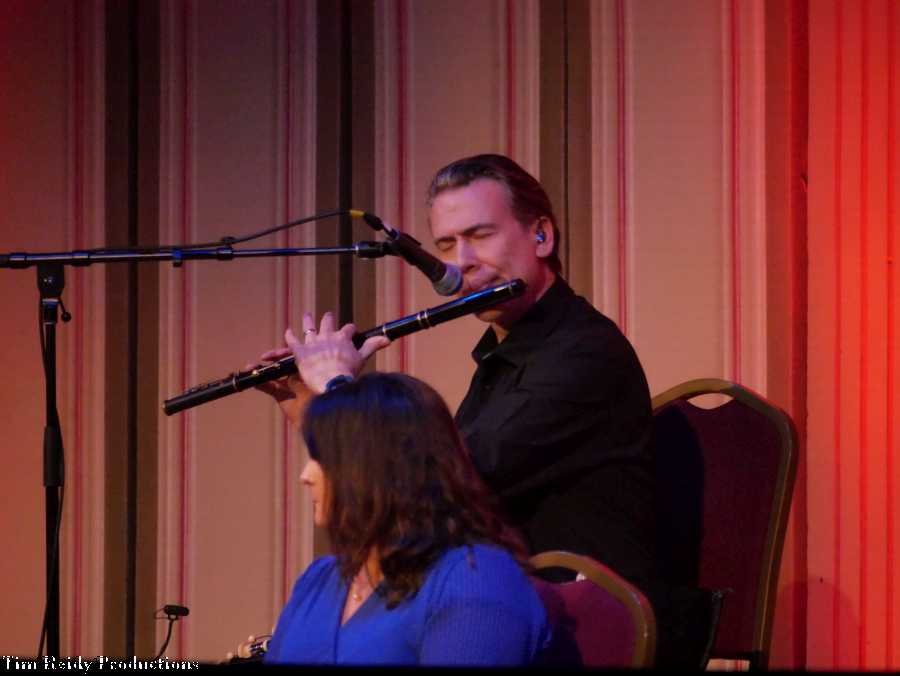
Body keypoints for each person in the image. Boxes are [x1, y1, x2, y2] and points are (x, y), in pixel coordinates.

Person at [260, 155, 709, 666]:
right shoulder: (504, 356)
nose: (462, 263)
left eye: (479, 235)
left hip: (579, 631)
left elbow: (443, 485)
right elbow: (404, 495)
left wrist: (339, 390)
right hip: (503, 610)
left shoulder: (586, 354)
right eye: (446, 245)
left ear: (541, 236)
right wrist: (309, 407)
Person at [262, 372, 550, 666]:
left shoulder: (475, 579)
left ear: (377, 467)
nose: (305, 476)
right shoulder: (318, 579)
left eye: (321, 459)